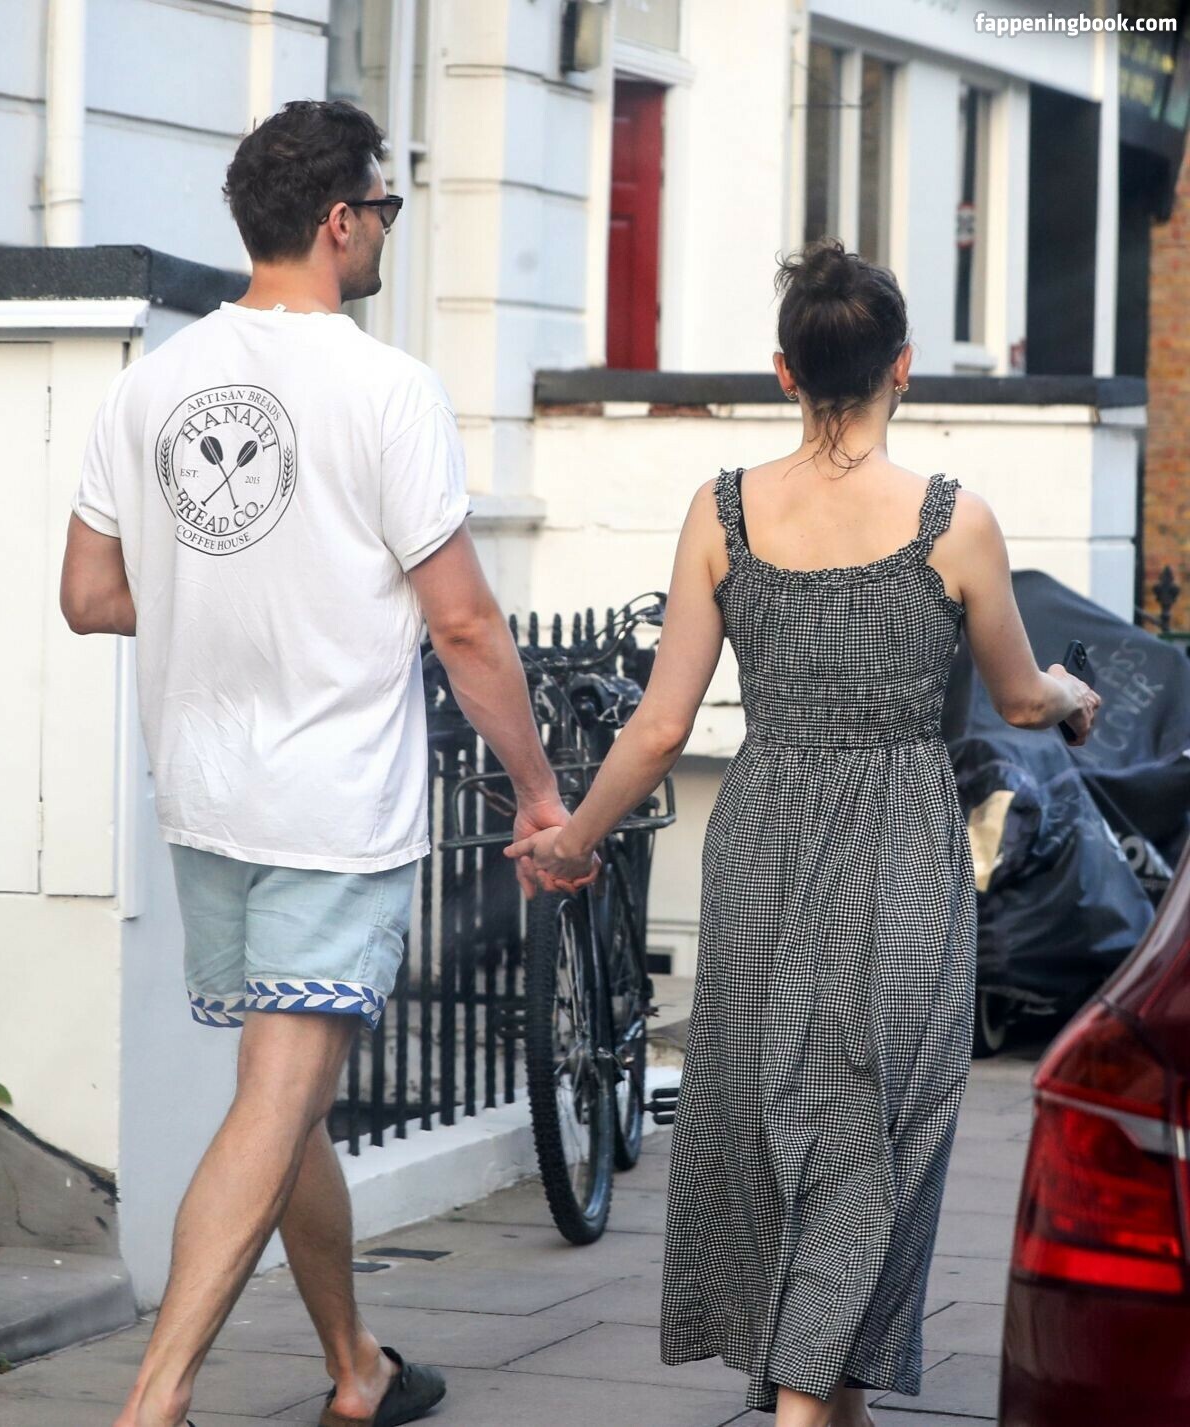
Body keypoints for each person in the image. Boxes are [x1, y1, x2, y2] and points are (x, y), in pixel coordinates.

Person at [506, 239, 1101, 1427]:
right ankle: (800, 1402)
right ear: (903, 368)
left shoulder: (720, 512)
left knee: (785, 1109)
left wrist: (574, 838)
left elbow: (661, 725)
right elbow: (1023, 695)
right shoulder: (956, 521)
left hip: (764, 835)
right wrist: (1074, 696)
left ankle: (832, 1395)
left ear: (785, 371)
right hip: (901, 844)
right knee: (887, 1115)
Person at [60, 99, 588, 1427]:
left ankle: (357, 1366)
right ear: (340, 220)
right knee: (275, 1101)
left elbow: (89, 592)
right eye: (386, 209)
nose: (388, 231)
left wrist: (227, 594)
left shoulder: (150, 384)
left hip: (204, 800)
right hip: (330, 806)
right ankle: (154, 1402)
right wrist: (538, 791)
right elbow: (464, 624)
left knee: (282, 1096)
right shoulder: (387, 387)